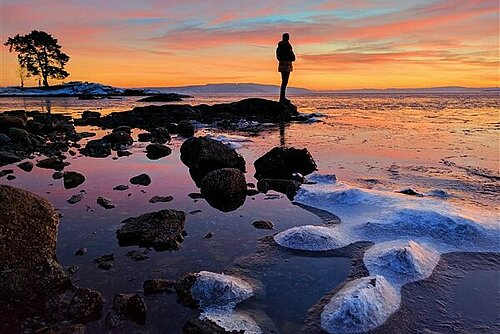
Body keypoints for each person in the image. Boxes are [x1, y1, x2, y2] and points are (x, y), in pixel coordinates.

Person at [276, 33, 295, 102]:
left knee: (284, 82)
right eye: (287, 37)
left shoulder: (285, 46)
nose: (288, 38)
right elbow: (292, 56)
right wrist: (287, 58)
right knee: (284, 81)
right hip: (285, 65)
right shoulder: (285, 46)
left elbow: (293, 57)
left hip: (285, 65)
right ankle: (282, 98)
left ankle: (282, 97)